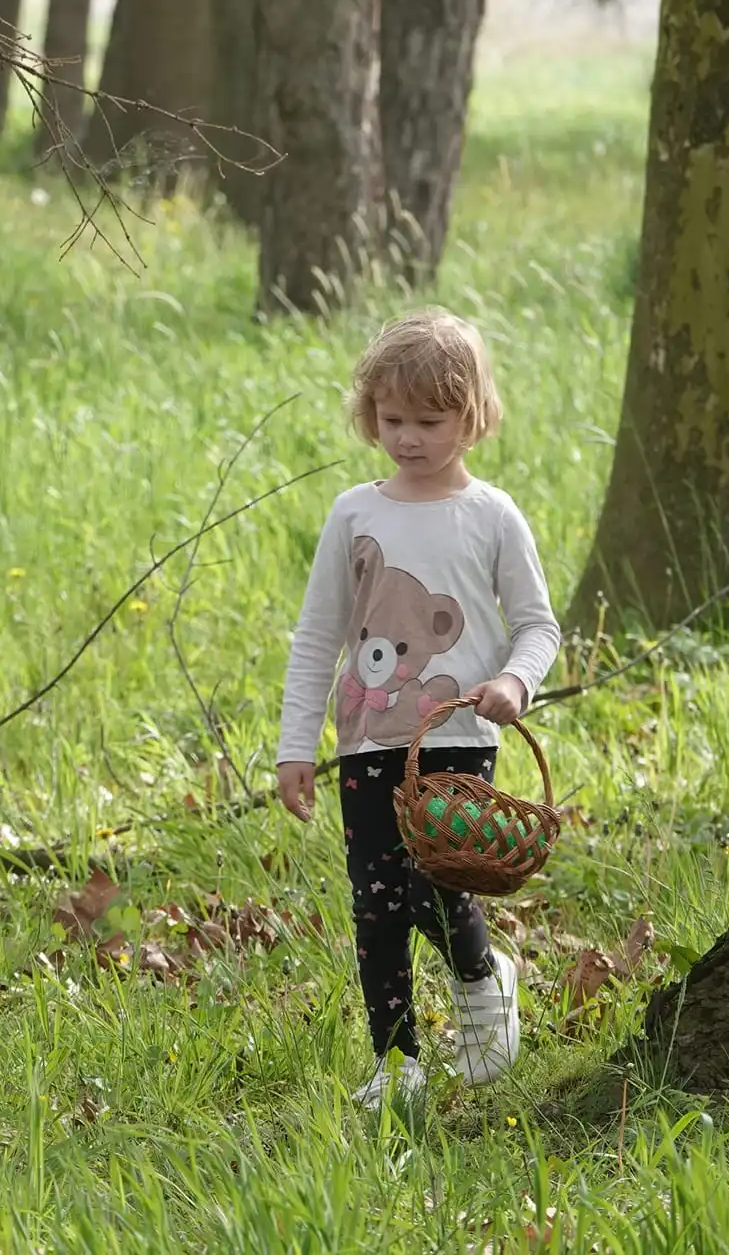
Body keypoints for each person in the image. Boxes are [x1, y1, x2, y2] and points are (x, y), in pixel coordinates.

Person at [275, 309, 561, 1109]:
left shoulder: (493, 516)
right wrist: (297, 745)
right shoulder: (354, 514)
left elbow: (537, 625)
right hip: (367, 738)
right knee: (375, 900)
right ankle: (395, 1061)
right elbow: (317, 636)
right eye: (392, 419)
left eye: (429, 421)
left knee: (434, 878)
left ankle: (481, 976)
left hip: (459, 733)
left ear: (472, 418)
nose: (408, 438)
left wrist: (515, 682)